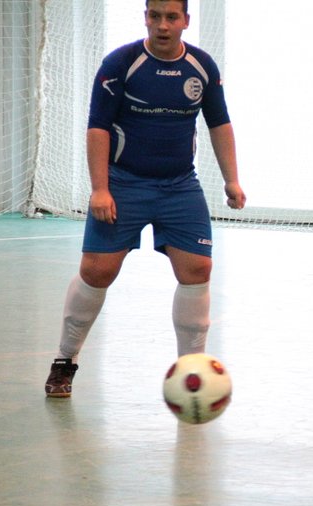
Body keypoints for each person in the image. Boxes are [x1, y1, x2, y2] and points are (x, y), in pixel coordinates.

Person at [45, 0, 246, 397]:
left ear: (186, 20)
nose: (163, 25)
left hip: (179, 185)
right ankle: (65, 360)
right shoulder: (120, 64)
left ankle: (193, 375)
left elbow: (219, 123)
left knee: (197, 269)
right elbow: (98, 127)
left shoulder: (202, 68)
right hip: (124, 184)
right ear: (145, 18)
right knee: (98, 271)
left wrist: (232, 181)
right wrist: (100, 188)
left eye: (172, 17)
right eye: (155, 16)